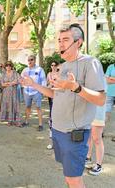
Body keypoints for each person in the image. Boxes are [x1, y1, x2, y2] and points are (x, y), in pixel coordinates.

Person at [20, 24, 105, 188]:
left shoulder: (90, 63)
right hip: (57, 131)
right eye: (59, 40)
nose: (61, 44)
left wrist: (75, 87)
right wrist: (33, 84)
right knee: (68, 177)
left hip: (73, 135)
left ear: (78, 42)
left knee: (74, 180)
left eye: (65, 40)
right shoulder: (64, 66)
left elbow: (101, 99)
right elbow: (55, 94)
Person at [21, 55, 46, 131]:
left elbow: (43, 81)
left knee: (38, 108)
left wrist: (42, 91)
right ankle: (26, 121)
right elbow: (21, 79)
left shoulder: (40, 69)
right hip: (27, 92)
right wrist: (23, 85)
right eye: (28, 60)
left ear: (35, 60)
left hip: (36, 92)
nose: (30, 61)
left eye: (31, 60)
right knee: (27, 107)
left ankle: (40, 124)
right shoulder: (25, 70)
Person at [0, 61, 21, 127]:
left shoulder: (15, 73)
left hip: (14, 92)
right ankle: (9, 120)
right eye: (7, 65)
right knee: (8, 106)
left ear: (11, 66)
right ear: (5, 67)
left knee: (15, 105)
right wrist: (10, 83)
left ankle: (16, 121)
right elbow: (2, 84)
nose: (8, 67)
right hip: (6, 92)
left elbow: (17, 81)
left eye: (9, 65)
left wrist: (8, 83)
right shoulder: (3, 74)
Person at [46, 61, 60, 149]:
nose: (53, 66)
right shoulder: (49, 74)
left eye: (55, 65)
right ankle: (53, 142)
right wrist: (50, 84)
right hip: (52, 97)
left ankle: (59, 143)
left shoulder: (61, 75)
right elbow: (47, 86)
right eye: (52, 65)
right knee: (52, 119)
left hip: (60, 98)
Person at [105, 63, 115, 141]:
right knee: (106, 114)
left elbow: (110, 79)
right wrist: (109, 79)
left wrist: (112, 79)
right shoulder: (111, 67)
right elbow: (106, 80)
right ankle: (100, 131)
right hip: (109, 93)